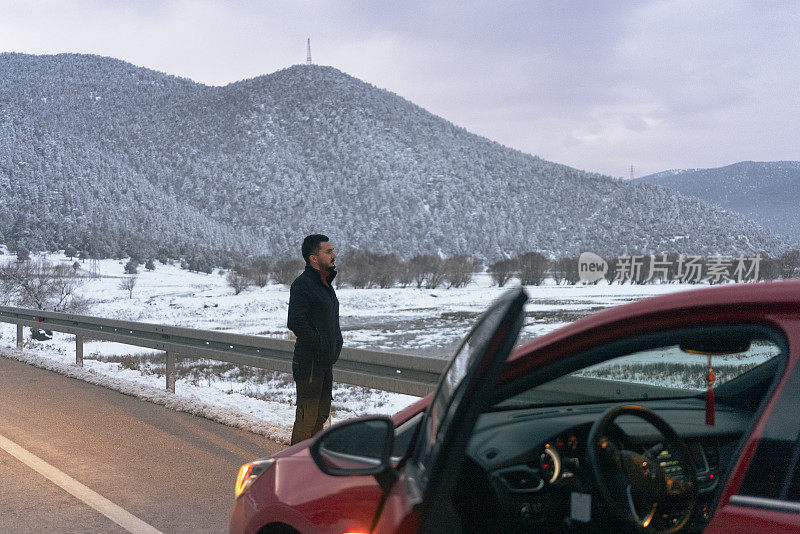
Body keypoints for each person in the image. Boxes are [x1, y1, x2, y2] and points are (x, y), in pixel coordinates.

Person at [287, 234, 343, 445]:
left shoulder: (325, 285)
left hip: (324, 363)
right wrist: (320, 345)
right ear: (313, 257)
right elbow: (295, 321)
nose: (334, 255)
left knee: (320, 419)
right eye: (328, 251)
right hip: (309, 364)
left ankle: (311, 468)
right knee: (306, 421)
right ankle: (294, 470)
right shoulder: (302, 285)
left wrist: (336, 345)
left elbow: (329, 323)